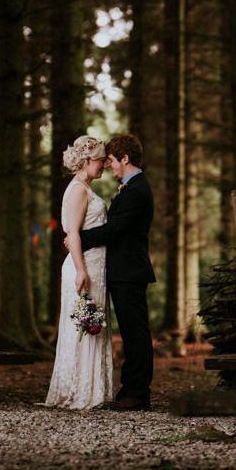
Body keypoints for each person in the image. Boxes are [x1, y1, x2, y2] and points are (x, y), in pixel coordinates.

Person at [78, 134, 156, 411]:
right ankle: (129, 390)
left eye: (111, 160)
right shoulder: (131, 188)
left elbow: (114, 229)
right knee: (130, 332)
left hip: (130, 272)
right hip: (124, 271)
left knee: (135, 333)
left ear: (125, 158)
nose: (108, 165)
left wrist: (79, 238)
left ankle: (138, 393)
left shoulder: (137, 191)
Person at [45, 136, 113, 410]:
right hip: (84, 266)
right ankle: (78, 390)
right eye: (100, 160)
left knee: (93, 323)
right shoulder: (77, 190)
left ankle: (94, 389)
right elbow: (72, 233)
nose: (104, 165)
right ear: (86, 161)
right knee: (84, 324)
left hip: (96, 265)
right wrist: (81, 271)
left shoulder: (85, 188)